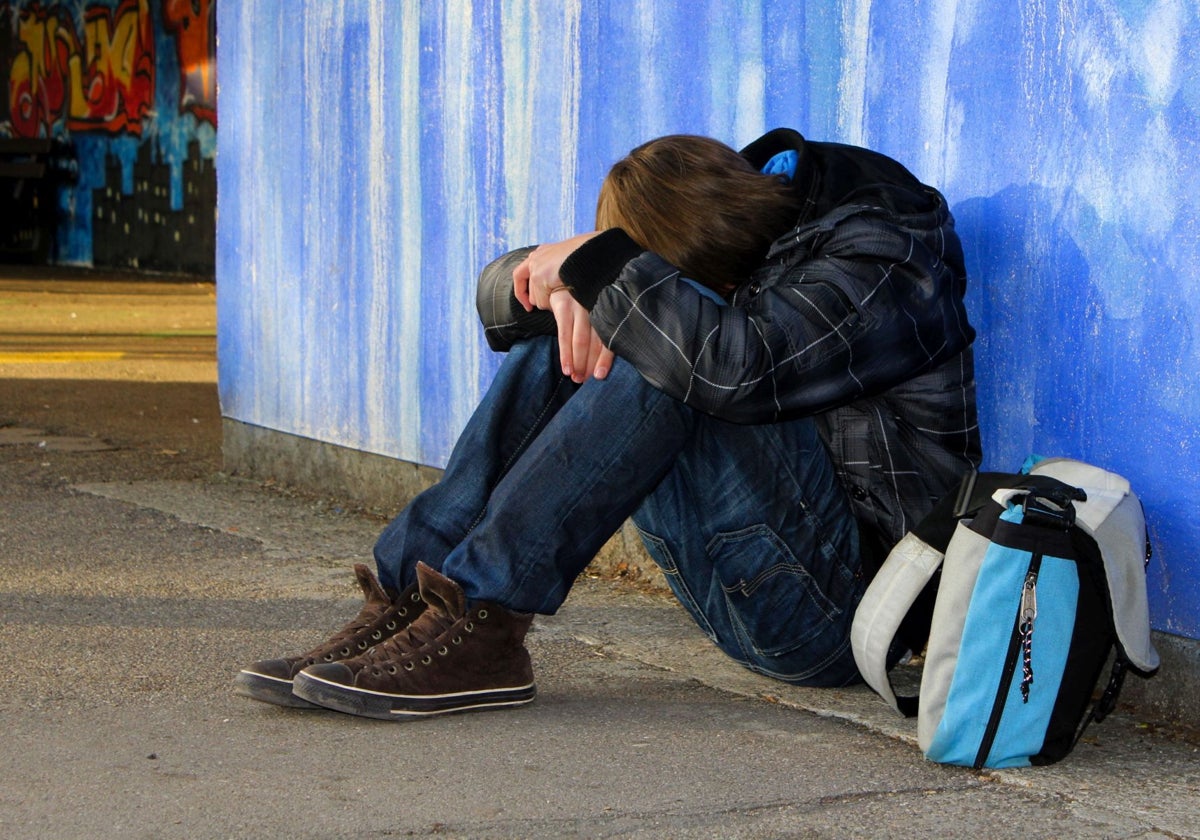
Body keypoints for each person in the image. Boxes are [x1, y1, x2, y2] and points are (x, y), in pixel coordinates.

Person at [234, 127, 981, 720]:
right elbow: (503, 300)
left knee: (666, 344)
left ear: (740, 255)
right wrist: (570, 282)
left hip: (843, 617)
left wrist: (611, 279)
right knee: (594, 325)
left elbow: (735, 365)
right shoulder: (721, 220)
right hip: (741, 586)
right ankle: (414, 598)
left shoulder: (881, 257)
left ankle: (485, 619)